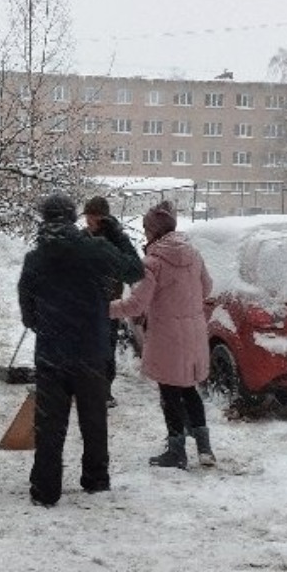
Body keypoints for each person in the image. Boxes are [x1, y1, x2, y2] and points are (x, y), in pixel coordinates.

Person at [18, 193, 144, 507]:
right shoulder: (96, 250)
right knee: (93, 417)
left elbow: (27, 313)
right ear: (74, 218)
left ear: (44, 219)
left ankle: (45, 490)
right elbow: (134, 271)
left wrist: (49, 324)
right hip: (91, 349)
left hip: (51, 352)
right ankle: (96, 479)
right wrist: (115, 234)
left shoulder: (35, 259)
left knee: (49, 424)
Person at [110, 201, 216, 469]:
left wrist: (104, 309)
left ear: (154, 231)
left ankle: (176, 450)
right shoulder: (193, 254)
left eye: (146, 229)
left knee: (169, 392)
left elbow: (136, 305)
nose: (145, 234)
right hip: (193, 333)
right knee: (190, 389)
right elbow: (207, 287)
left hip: (168, 335)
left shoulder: (153, 262)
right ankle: (205, 449)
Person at [81, 195, 126, 408]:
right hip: (84, 302)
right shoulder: (83, 236)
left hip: (109, 303)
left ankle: (105, 391)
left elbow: (126, 268)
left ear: (102, 218)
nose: (88, 221)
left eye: (92, 217)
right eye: (87, 217)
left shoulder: (116, 239)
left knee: (106, 347)